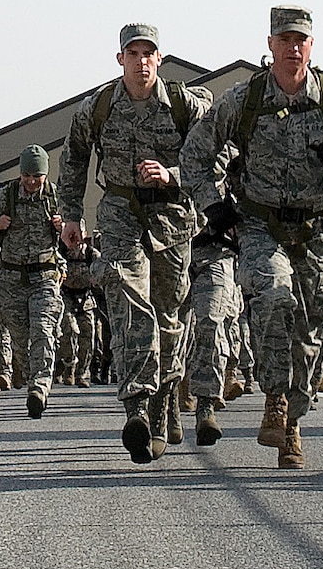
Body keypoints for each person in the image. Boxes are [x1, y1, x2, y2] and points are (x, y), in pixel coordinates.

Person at [181, 6, 323, 469]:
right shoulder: (244, 100)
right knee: (274, 296)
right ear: (271, 44)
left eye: (302, 40)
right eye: (285, 39)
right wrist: (214, 207)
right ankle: (275, 398)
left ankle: (292, 422)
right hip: (259, 224)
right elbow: (195, 153)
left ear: (312, 46)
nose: (294, 48)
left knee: (313, 326)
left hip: (317, 228)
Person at [60, 23, 214, 465]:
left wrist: (173, 176)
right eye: (134, 53)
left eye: (149, 53)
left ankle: (165, 400)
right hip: (120, 214)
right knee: (130, 306)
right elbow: (73, 157)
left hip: (173, 220)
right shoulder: (99, 106)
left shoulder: (186, 106)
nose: (142, 60)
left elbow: (215, 158)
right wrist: (73, 213)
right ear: (120, 59)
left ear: (160, 60)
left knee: (169, 317)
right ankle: (137, 410)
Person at [0, 145, 65, 419]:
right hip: (11, 278)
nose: (31, 181)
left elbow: (77, 228)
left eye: (37, 176)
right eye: (27, 175)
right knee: (20, 338)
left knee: (43, 330)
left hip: (44, 276)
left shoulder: (55, 197)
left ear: (45, 174)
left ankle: (39, 388)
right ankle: (32, 378)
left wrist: (62, 227)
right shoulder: (5, 195)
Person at [185, 213, 243, 444]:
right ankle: (168, 400)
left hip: (216, 254)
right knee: (173, 330)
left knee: (210, 324)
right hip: (166, 252)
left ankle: (206, 407)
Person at [58, 232, 104, 388]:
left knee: (88, 336)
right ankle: (69, 364)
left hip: (86, 298)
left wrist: (97, 279)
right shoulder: (61, 252)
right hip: (66, 296)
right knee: (69, 331)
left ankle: (81, 374)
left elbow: (102, 271)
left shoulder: (91, 254)